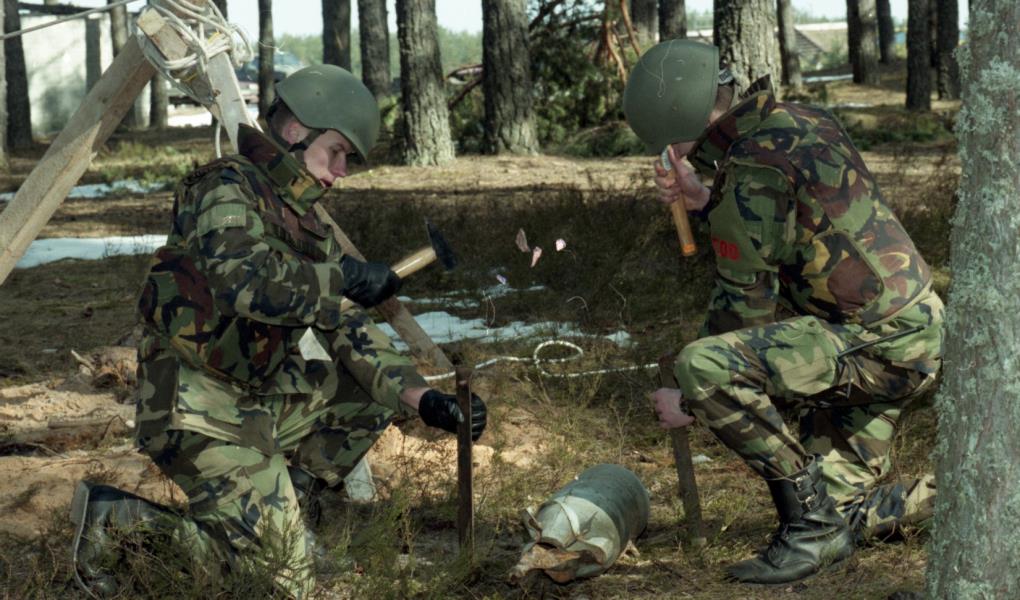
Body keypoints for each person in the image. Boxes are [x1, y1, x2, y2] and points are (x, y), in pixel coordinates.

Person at [69, 65, 487, 599]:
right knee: (284, 583)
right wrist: (340, 277)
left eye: (347, 159)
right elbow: (241, 281)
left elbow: (348, 329)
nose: (341, 171)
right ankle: (125, 524)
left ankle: (285, 510)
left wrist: (426, 400)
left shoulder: (307, 225)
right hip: (195, 407)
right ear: (295, 131)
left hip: (252, 399)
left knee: (368, 390)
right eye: (336, 151)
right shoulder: (225, 187)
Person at [623, 40, 942, 584]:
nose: (669, 156)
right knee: (845, 510)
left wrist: (689, 399)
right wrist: (706, 201)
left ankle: (809, 528)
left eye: (666, 145)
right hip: (904, 332)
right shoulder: (799, 119)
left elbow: (743, 307)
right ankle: (983, 493)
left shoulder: (749, 167)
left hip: (874, 346)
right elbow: (788, 224)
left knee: (703, 366)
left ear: (680, 121)